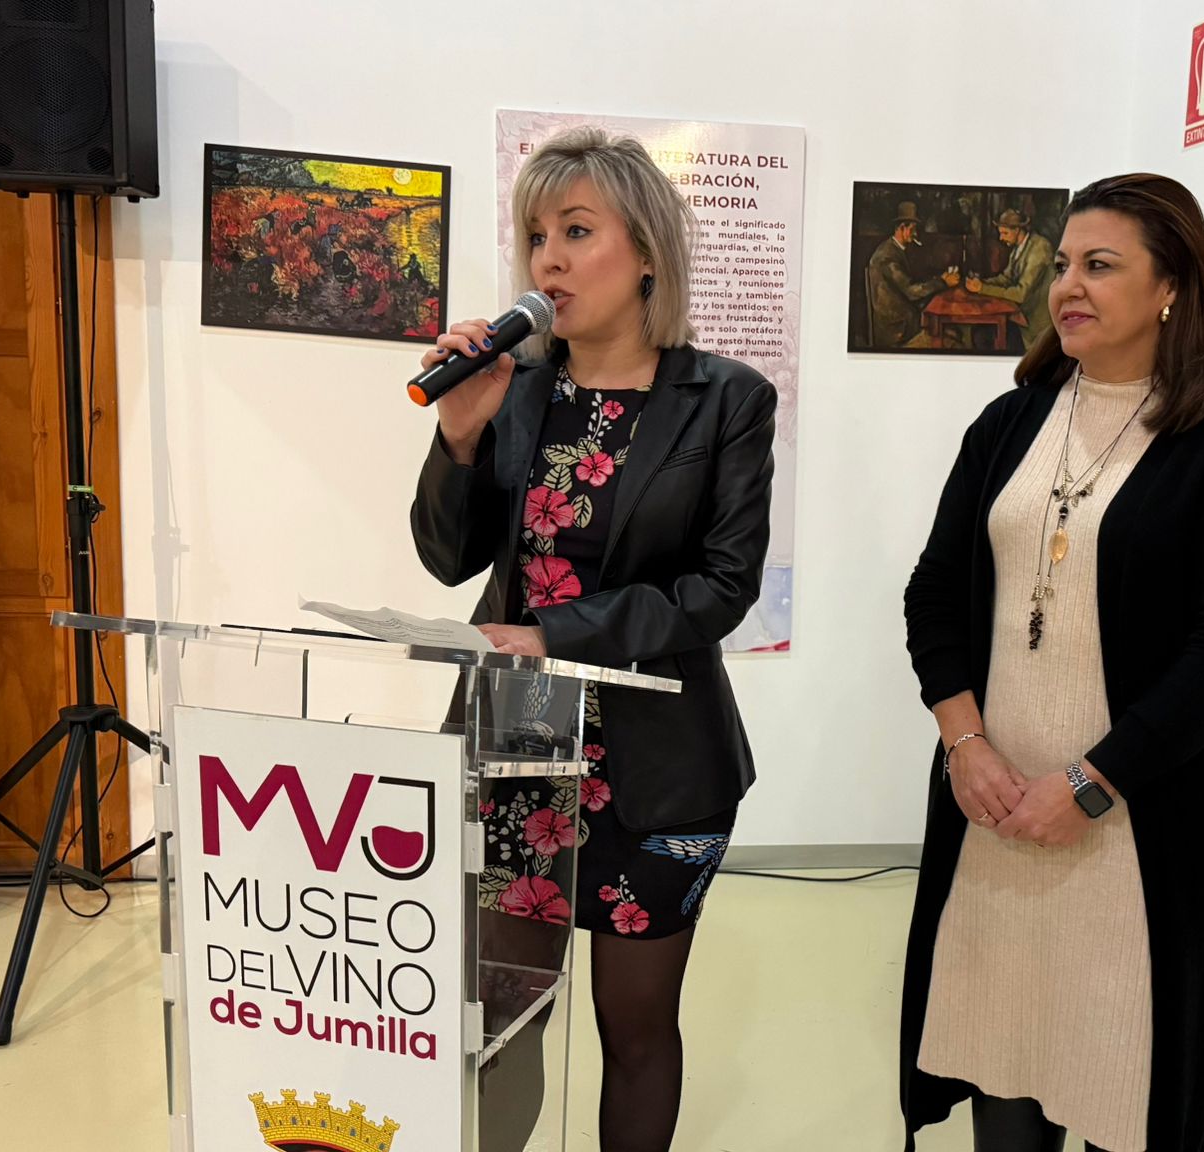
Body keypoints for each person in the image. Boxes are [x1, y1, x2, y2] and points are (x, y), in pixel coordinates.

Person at [898, 173, 1204, 1152]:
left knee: (1125, 1082)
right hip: (995, 814)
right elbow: (933, 592)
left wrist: (1088, 784)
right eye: (1063, 264)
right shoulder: (1009, 425)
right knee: (1003, 1057)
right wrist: (965, 746)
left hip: (1134, 829)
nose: (1067, 285)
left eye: (1100, 265)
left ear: (1171, 286)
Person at [410, 126, 777, 1152]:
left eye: (577, 231)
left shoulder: (726, 400)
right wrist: (458, 436)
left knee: (635, 1027)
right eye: (536, 237)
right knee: (504, 1014)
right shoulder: (516, 386)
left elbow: (720, 588)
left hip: (660, 766)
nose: (549, 261)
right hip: (516, 748)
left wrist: (554, 634)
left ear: (647, 251)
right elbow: (448, 558)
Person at [866, 201, 961, 349]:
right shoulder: (886, 257)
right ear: (902, 228)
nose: (916, 233)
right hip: (897, 334)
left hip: (906, 324)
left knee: (952, 333)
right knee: (951, 342)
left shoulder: (896, 250)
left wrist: (940, 280)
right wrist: (943, 282)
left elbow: (909, 285)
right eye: (913, 229)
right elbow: (911, 291)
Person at [966, 208, 1055, 346]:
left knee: (983, 335)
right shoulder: (1018, 248)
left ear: (1017, 230)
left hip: (1034, 326)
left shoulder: (1040, 248)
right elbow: (1006, 278)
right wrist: (980, 283)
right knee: (979, 331)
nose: (1001, 238)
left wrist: (982, 288)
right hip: (1019, 316)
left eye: (1005, 233)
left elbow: (1020, 294)